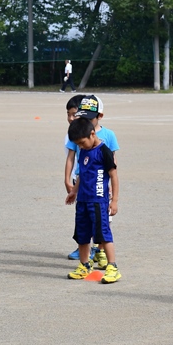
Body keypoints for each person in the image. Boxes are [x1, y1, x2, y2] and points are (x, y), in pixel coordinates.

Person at [64, 95, 119, 267]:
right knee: (82, 232)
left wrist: (114, 199)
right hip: (83, 197)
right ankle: (84, 264)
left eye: (81, 143)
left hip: (99, 196)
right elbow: (81, 170)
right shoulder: (83, 146)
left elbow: (113, 172)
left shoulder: (104, 146)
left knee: (102, 230)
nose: (80, 146)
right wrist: (74, 190)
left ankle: (110, 263)